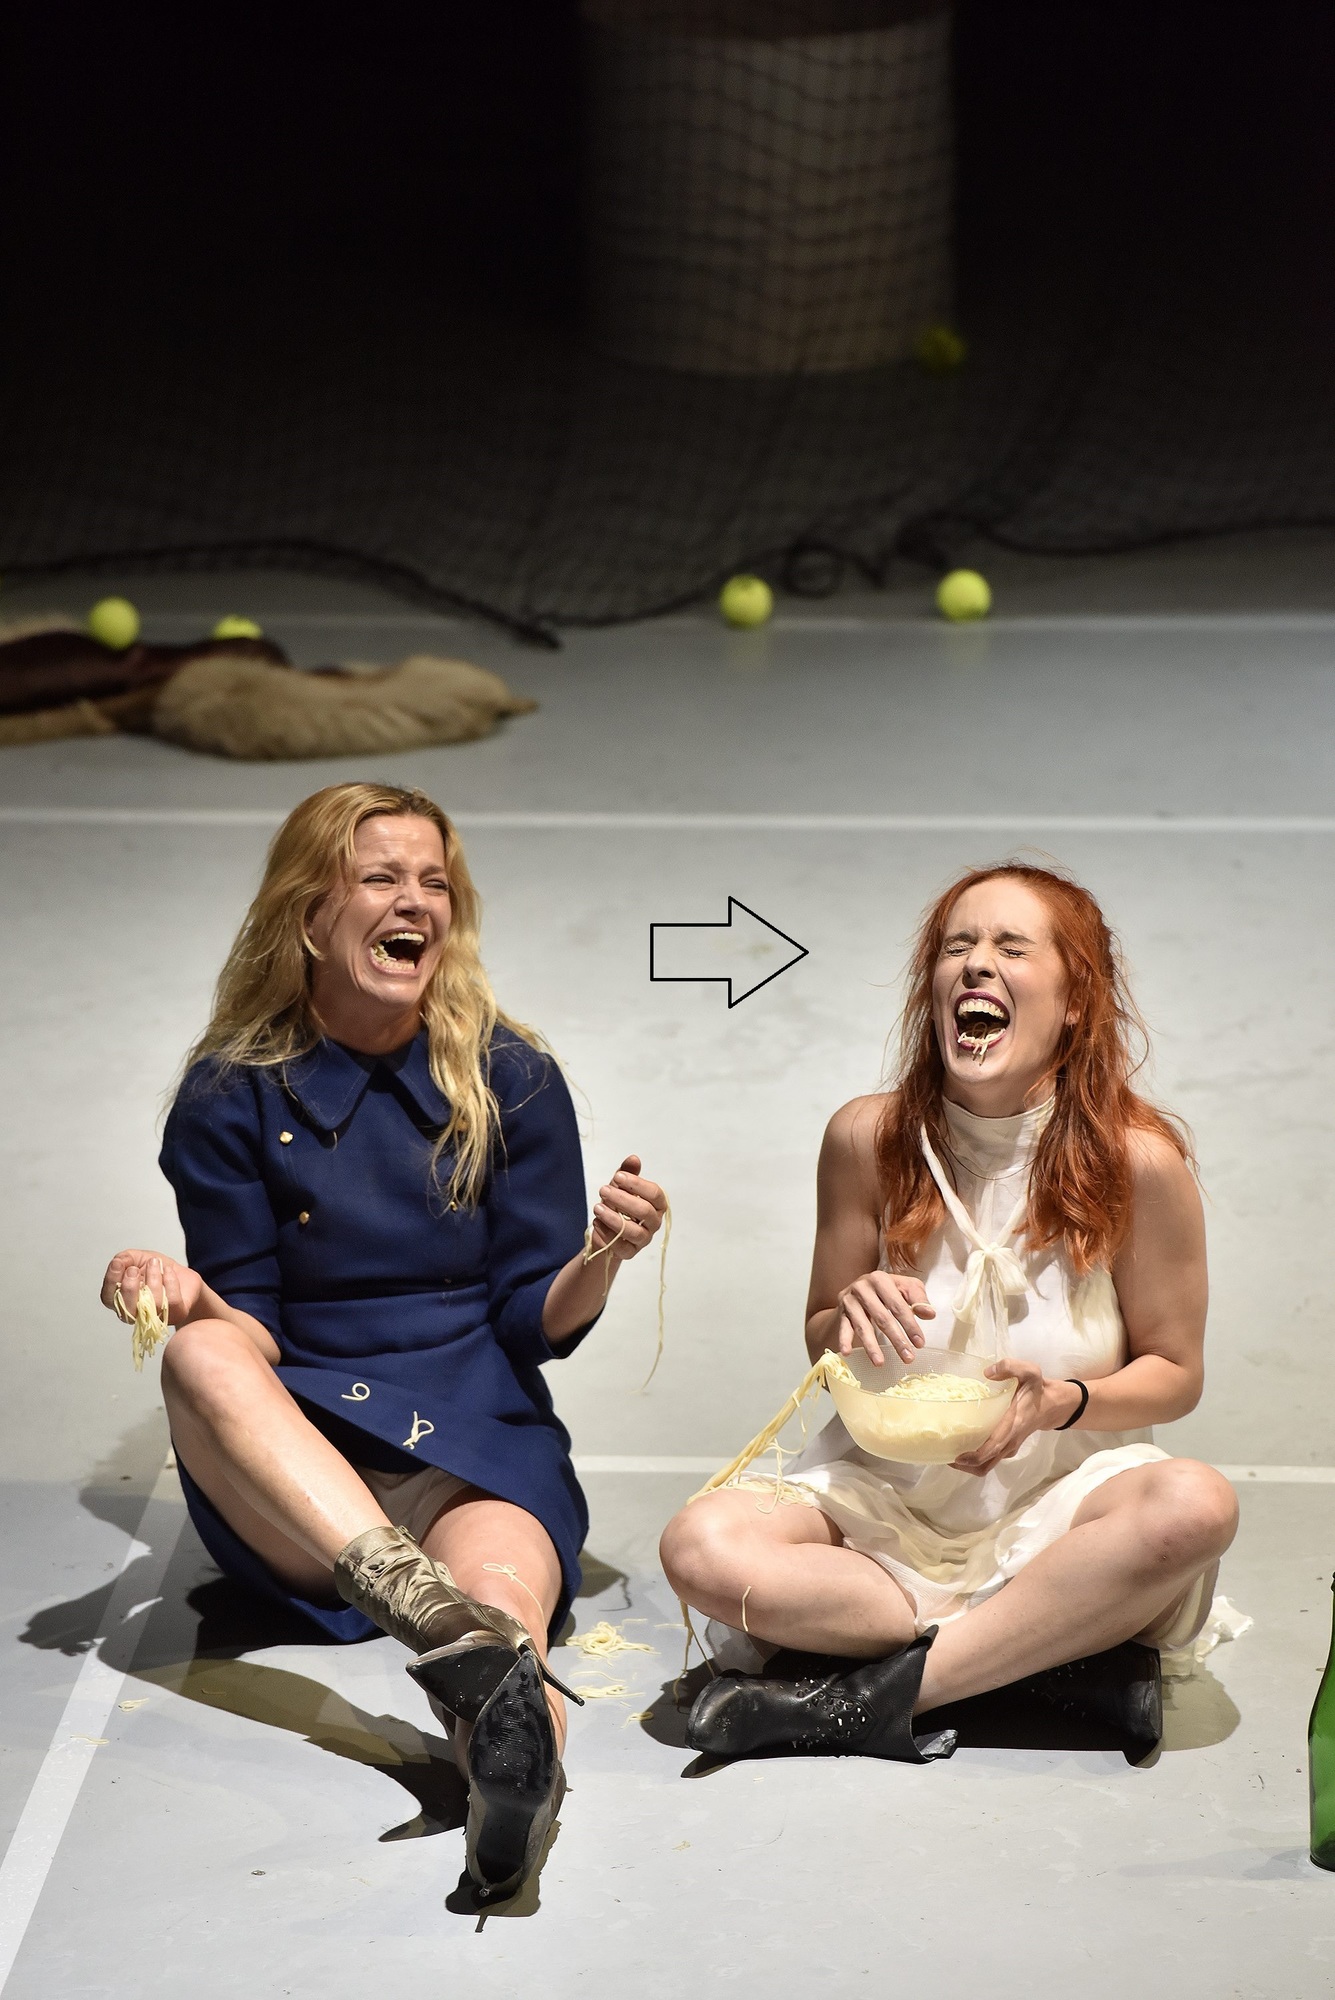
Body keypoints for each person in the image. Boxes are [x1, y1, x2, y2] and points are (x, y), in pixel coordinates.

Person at [100, 781, 666, 1906]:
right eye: (381, 878)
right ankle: (417, 1600)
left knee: (505, 1628)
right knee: (199, 1356)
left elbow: (531, 1323)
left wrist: (601, 1257)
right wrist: (186, 1295)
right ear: (311, 914)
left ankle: (511, 1793)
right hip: (306, 1472)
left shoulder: (512, 1077)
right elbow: (252, 1330)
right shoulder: (228, 1094)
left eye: (434, 883)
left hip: (477, 1440)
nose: (417, 902)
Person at [661, 862, 1237, 1765]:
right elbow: (822, 1337)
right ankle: (1034, 1654)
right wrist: (845, 1315)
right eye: (957, 946)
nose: (975, 964)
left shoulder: (1137, 1162)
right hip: (885, 1503)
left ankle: (875, 1697)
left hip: (1063, 1511)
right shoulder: (866, 1137)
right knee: (700, 1544)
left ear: (1074, 999)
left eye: (1011, 947)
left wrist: (1065, 1404)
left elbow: (1175, 1373)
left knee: (1193, 1506)